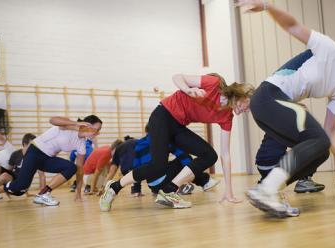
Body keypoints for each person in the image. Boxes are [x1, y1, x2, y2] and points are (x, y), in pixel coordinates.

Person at [236, 0, 335, 217]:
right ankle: (266, 189)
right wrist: (266, 6)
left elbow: (331, 127)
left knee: (318, 153)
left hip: (278, 106)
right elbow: (293, 26)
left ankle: (269, 189)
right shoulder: (330, 50)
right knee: (318, 140)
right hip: (268, 96)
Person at [99, 73, 254, 211]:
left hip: (178, 125)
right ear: (243, 95)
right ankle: (113, 187)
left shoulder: (227, 117)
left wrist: (229, 191)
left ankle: (168, 191)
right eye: (249, 106)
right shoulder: (214, 84)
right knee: (157, 166)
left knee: (209, 155)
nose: (247, 111)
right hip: (163, 116)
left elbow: (225, 154)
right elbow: (177, 77)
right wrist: (188, 90)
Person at [0, 115, 102, 208]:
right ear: (87, 125)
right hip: (35, 152)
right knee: (20, 187)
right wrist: (77, 124)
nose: (98, 133)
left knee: (71, 167)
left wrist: (78, 193)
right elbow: (52, 120)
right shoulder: (69, 126)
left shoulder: (81, 144)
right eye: (96, 129)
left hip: (47, 158)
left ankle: (43, 194)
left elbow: (79, 169)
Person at [101, 133, 220, 200]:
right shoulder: (163, 139)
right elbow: (186, 159)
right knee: (184, 161)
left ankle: (177, 186)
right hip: (165, 179)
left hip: (153, 185)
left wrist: (136, 190)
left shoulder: (138, 144)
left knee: (153, 169)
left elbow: (136, 170)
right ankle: (204, 181)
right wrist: (193, 173)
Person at [0, 133, 46, 206]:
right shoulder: (16, 154)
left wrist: (42, 194)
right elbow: (9, 171)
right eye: (32, 145)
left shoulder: (36, 157)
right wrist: (4, 187)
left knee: (4, 176)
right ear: (24, 144)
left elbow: (42, 176)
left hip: (20, 187)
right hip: (11, 181)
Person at [255, 135, 325, 193]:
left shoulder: (272, 123)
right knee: (321, 148)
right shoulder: (296, 121)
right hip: (276, 167)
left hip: (261, 165)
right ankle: (304, 180)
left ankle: (265, 180)